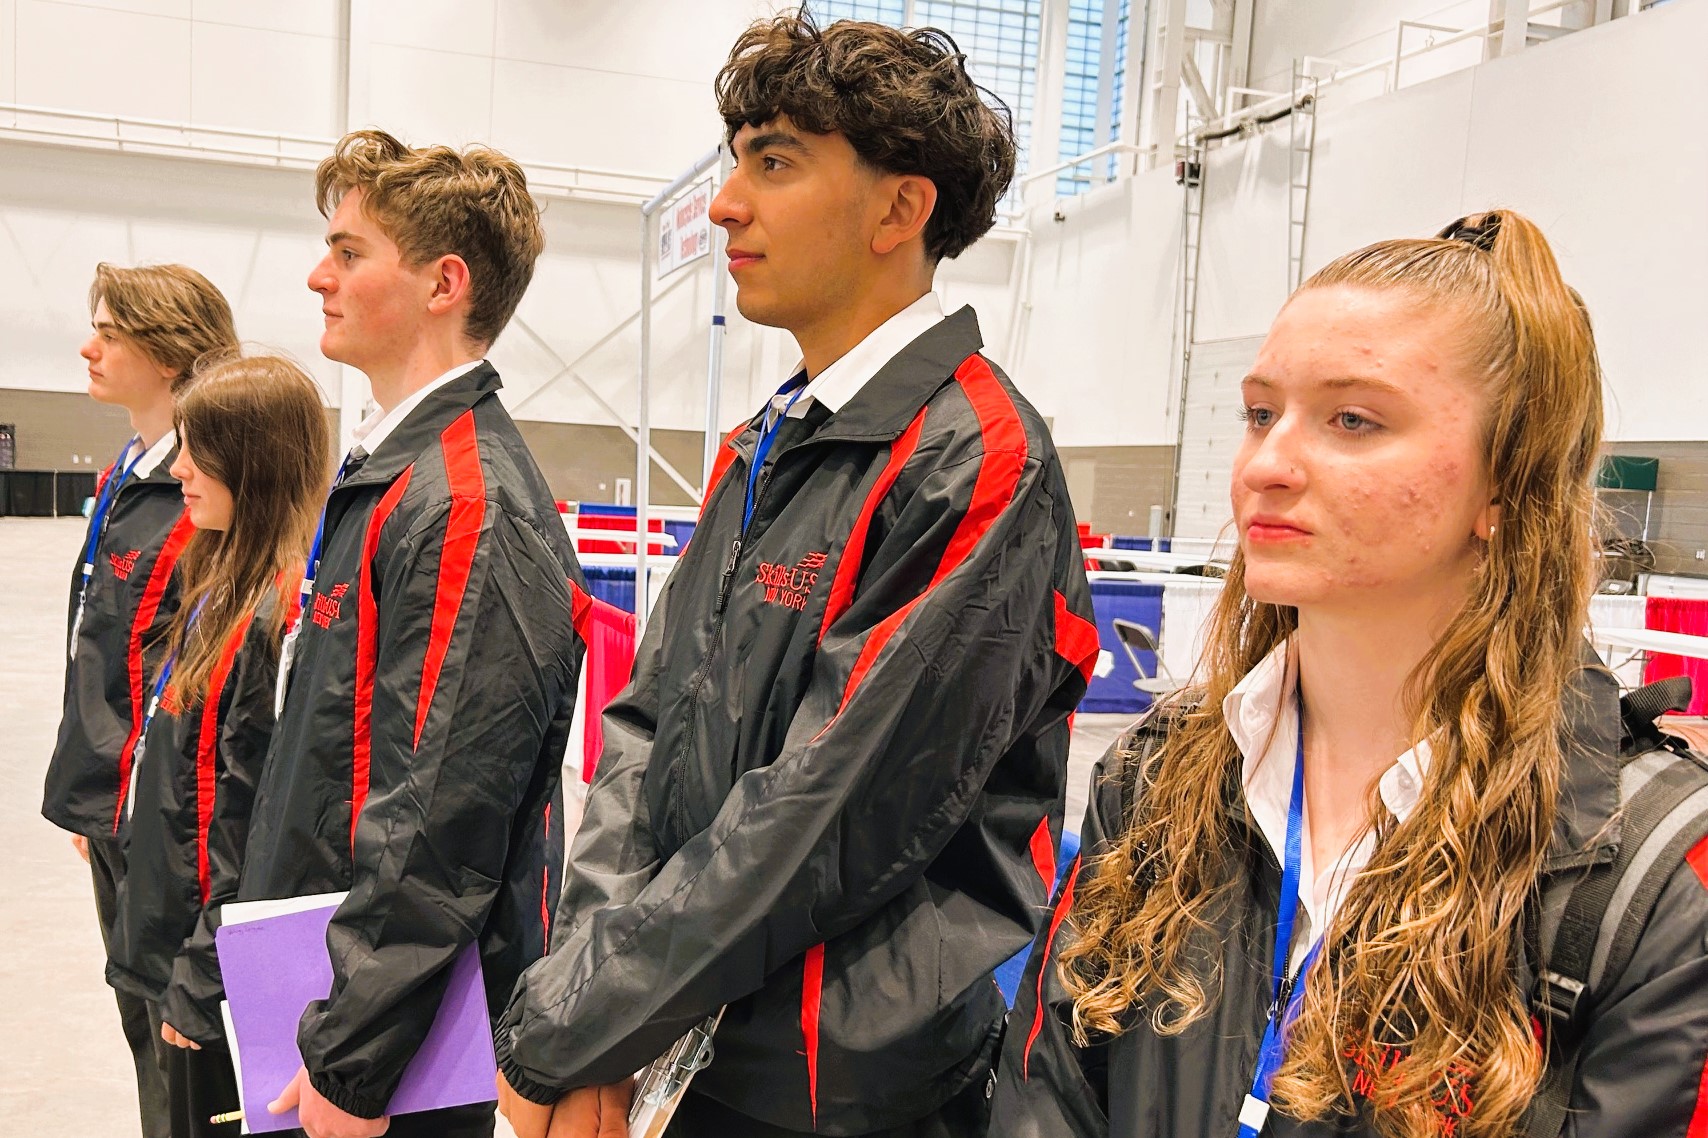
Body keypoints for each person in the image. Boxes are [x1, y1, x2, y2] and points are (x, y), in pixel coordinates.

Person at [495, 15, 1097, 1138]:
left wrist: (576, 1024)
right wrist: (593, 1020)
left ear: (897, 208)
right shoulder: (765, 440)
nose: (727, 202)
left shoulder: (975, 456)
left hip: (836, 1092)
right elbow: (644, 731)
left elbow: (825, 814)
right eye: (737, 163)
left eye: (773, 163)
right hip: (686, 1045)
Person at [991, 210, 1708, 1138]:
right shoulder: (1159, 772)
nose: (1265, 465)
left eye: (1354, 419)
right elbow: (1049, 1093)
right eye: (1260, 413)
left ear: (1506, 482)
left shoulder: (1648, 875)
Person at [236, 129, 586, 1138]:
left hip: (402, 1045)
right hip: (326, 982)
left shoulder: (466, 502)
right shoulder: (395, 472)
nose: (318, 275)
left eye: (349, 253)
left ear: (443, 283)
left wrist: (355, 1056)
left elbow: (443, 810)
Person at [106, 354, 333, 1138]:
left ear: (255, 461)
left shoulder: (275, 616)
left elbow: (250, 822)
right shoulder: (218, 579)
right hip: (164, 934)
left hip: (202, 963)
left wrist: (204, 972)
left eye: (198, 450)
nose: (177, 468)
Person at [41, 262, 238, 1138]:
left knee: (176, 1036)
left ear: (166, 355)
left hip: (161, 823)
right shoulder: (131, 469)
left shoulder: (202, 496)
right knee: (134, 1013)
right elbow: (102, 648)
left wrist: (128, 808)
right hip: (112, 807)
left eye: (110, 332)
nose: (89, 347)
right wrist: (92, 797)